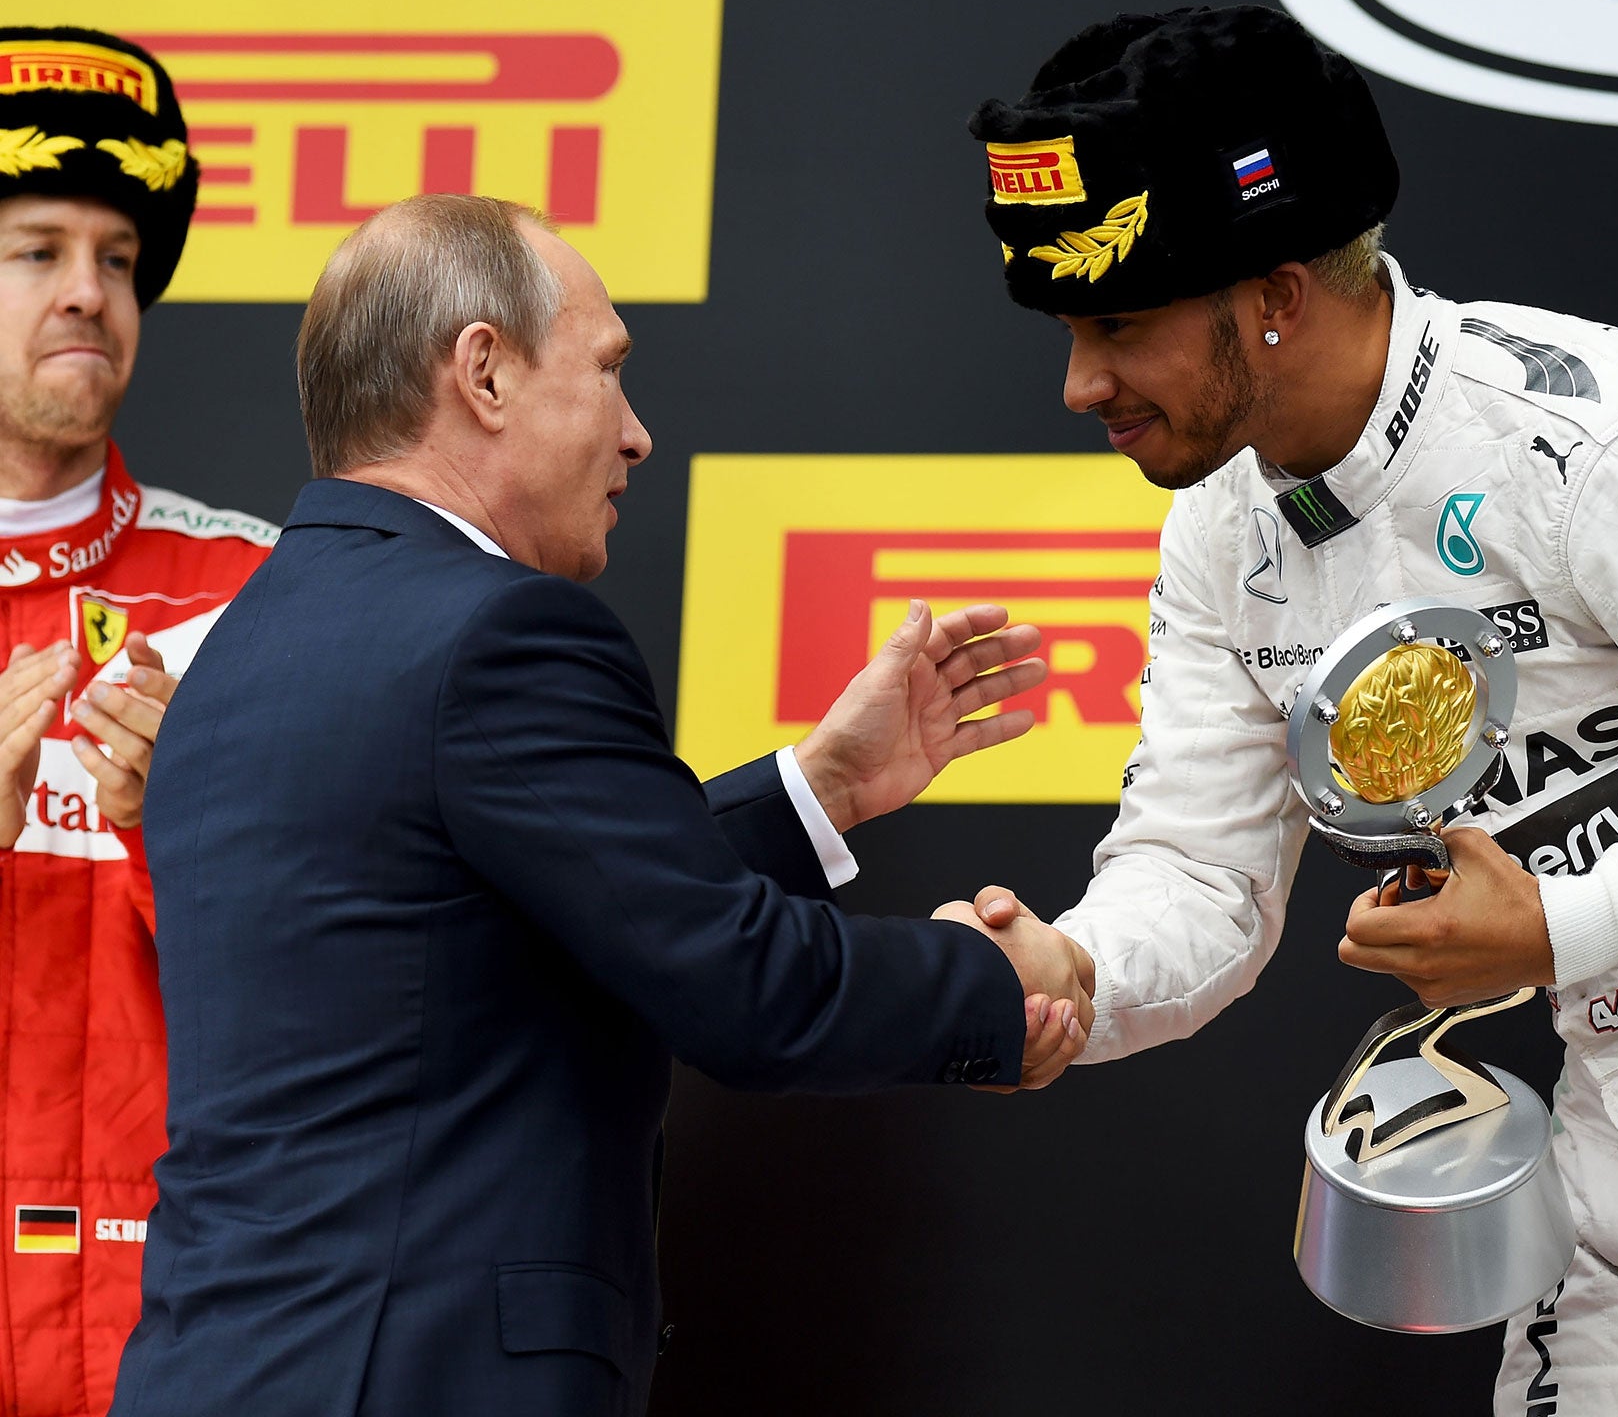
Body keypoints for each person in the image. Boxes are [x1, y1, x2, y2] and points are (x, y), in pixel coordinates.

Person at [965, 5, 1618, 1414]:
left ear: (1277, 294)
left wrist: (1557, 928)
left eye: (1118, 324)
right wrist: (1076, 975)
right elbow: (1199, 876)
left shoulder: (1601, 432)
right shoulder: (1223, 531)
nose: (1079, 384)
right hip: (1610, 1090)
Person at [108, 194, 1093, 1417]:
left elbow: (504, 920)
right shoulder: (497, 633)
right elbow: (737, 989)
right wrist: (997, 987)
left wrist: (819, 787)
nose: (635, 434)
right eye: (609, 370)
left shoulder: (235, 654)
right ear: (484, 374)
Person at [0, 26, 279, 1417]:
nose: (87, 295)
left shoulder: (260, 588)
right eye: (36, 250)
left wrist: (198, 831)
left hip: (184, 1326)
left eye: (118, 259)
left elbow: (366, 961)